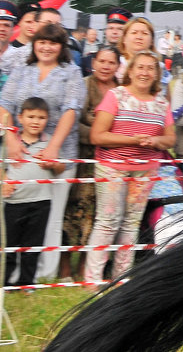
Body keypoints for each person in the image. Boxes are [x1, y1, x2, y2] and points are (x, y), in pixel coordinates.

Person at [0, 22, 86, 281]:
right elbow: (4, 105)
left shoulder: (71, 72)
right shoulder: (21, 69)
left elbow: (72, 110)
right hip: (19, 152)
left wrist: (53, 148)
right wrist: (11, 136)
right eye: (42, 41)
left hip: (58, 154)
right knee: (15, 213)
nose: (47, 47)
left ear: (62, 47)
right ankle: (12, 274)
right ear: (34, 43)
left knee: (50, 216)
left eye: (53, 42)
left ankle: (42, 274)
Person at [83, 50, 174, 288]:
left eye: (150, 68)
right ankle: (92, 279)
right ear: (130, 71)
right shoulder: (116, 96)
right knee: (108, 220)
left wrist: (156, 142)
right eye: (140, 67)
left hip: (145, 170)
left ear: (156, 74)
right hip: (112, 168)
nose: (144, 72)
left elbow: (170, 139)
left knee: (131, 222)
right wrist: (133, 140)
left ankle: (121, 277)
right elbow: (97, 135)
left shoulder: (162, 103)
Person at [61, 44, 120, 283]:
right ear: (93, 63)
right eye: (102, 61)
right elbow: (73, 120)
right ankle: (65, 267)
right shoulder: (83, 85)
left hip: (111, 158)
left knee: (98, 214)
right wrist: (100, 134)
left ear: (118, 66)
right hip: (82, 156)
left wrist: (111, 138)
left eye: (111, 62)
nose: (106, 66)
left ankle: (86, 266)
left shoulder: (121, 90)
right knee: (72, 211)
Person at [3, 97, 65, 287]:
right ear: (20, 118)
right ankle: (5, 283)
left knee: (32, 245)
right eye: (31, 116)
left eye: (41, 117)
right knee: (9, 245)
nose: (35, 121)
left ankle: (26, 283)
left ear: (47, 120)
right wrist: (4, 181)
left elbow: (61, 168)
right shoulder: (10, 143)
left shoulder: (50, 144)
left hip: (41, 202)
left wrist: (52, 163)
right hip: (13, 203)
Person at [80, 8, 131, 77]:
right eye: (111, 28)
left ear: (126, 33)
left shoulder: (131, 62)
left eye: (120, 29)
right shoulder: (90, 59)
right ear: (105, 31)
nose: (114, 32)